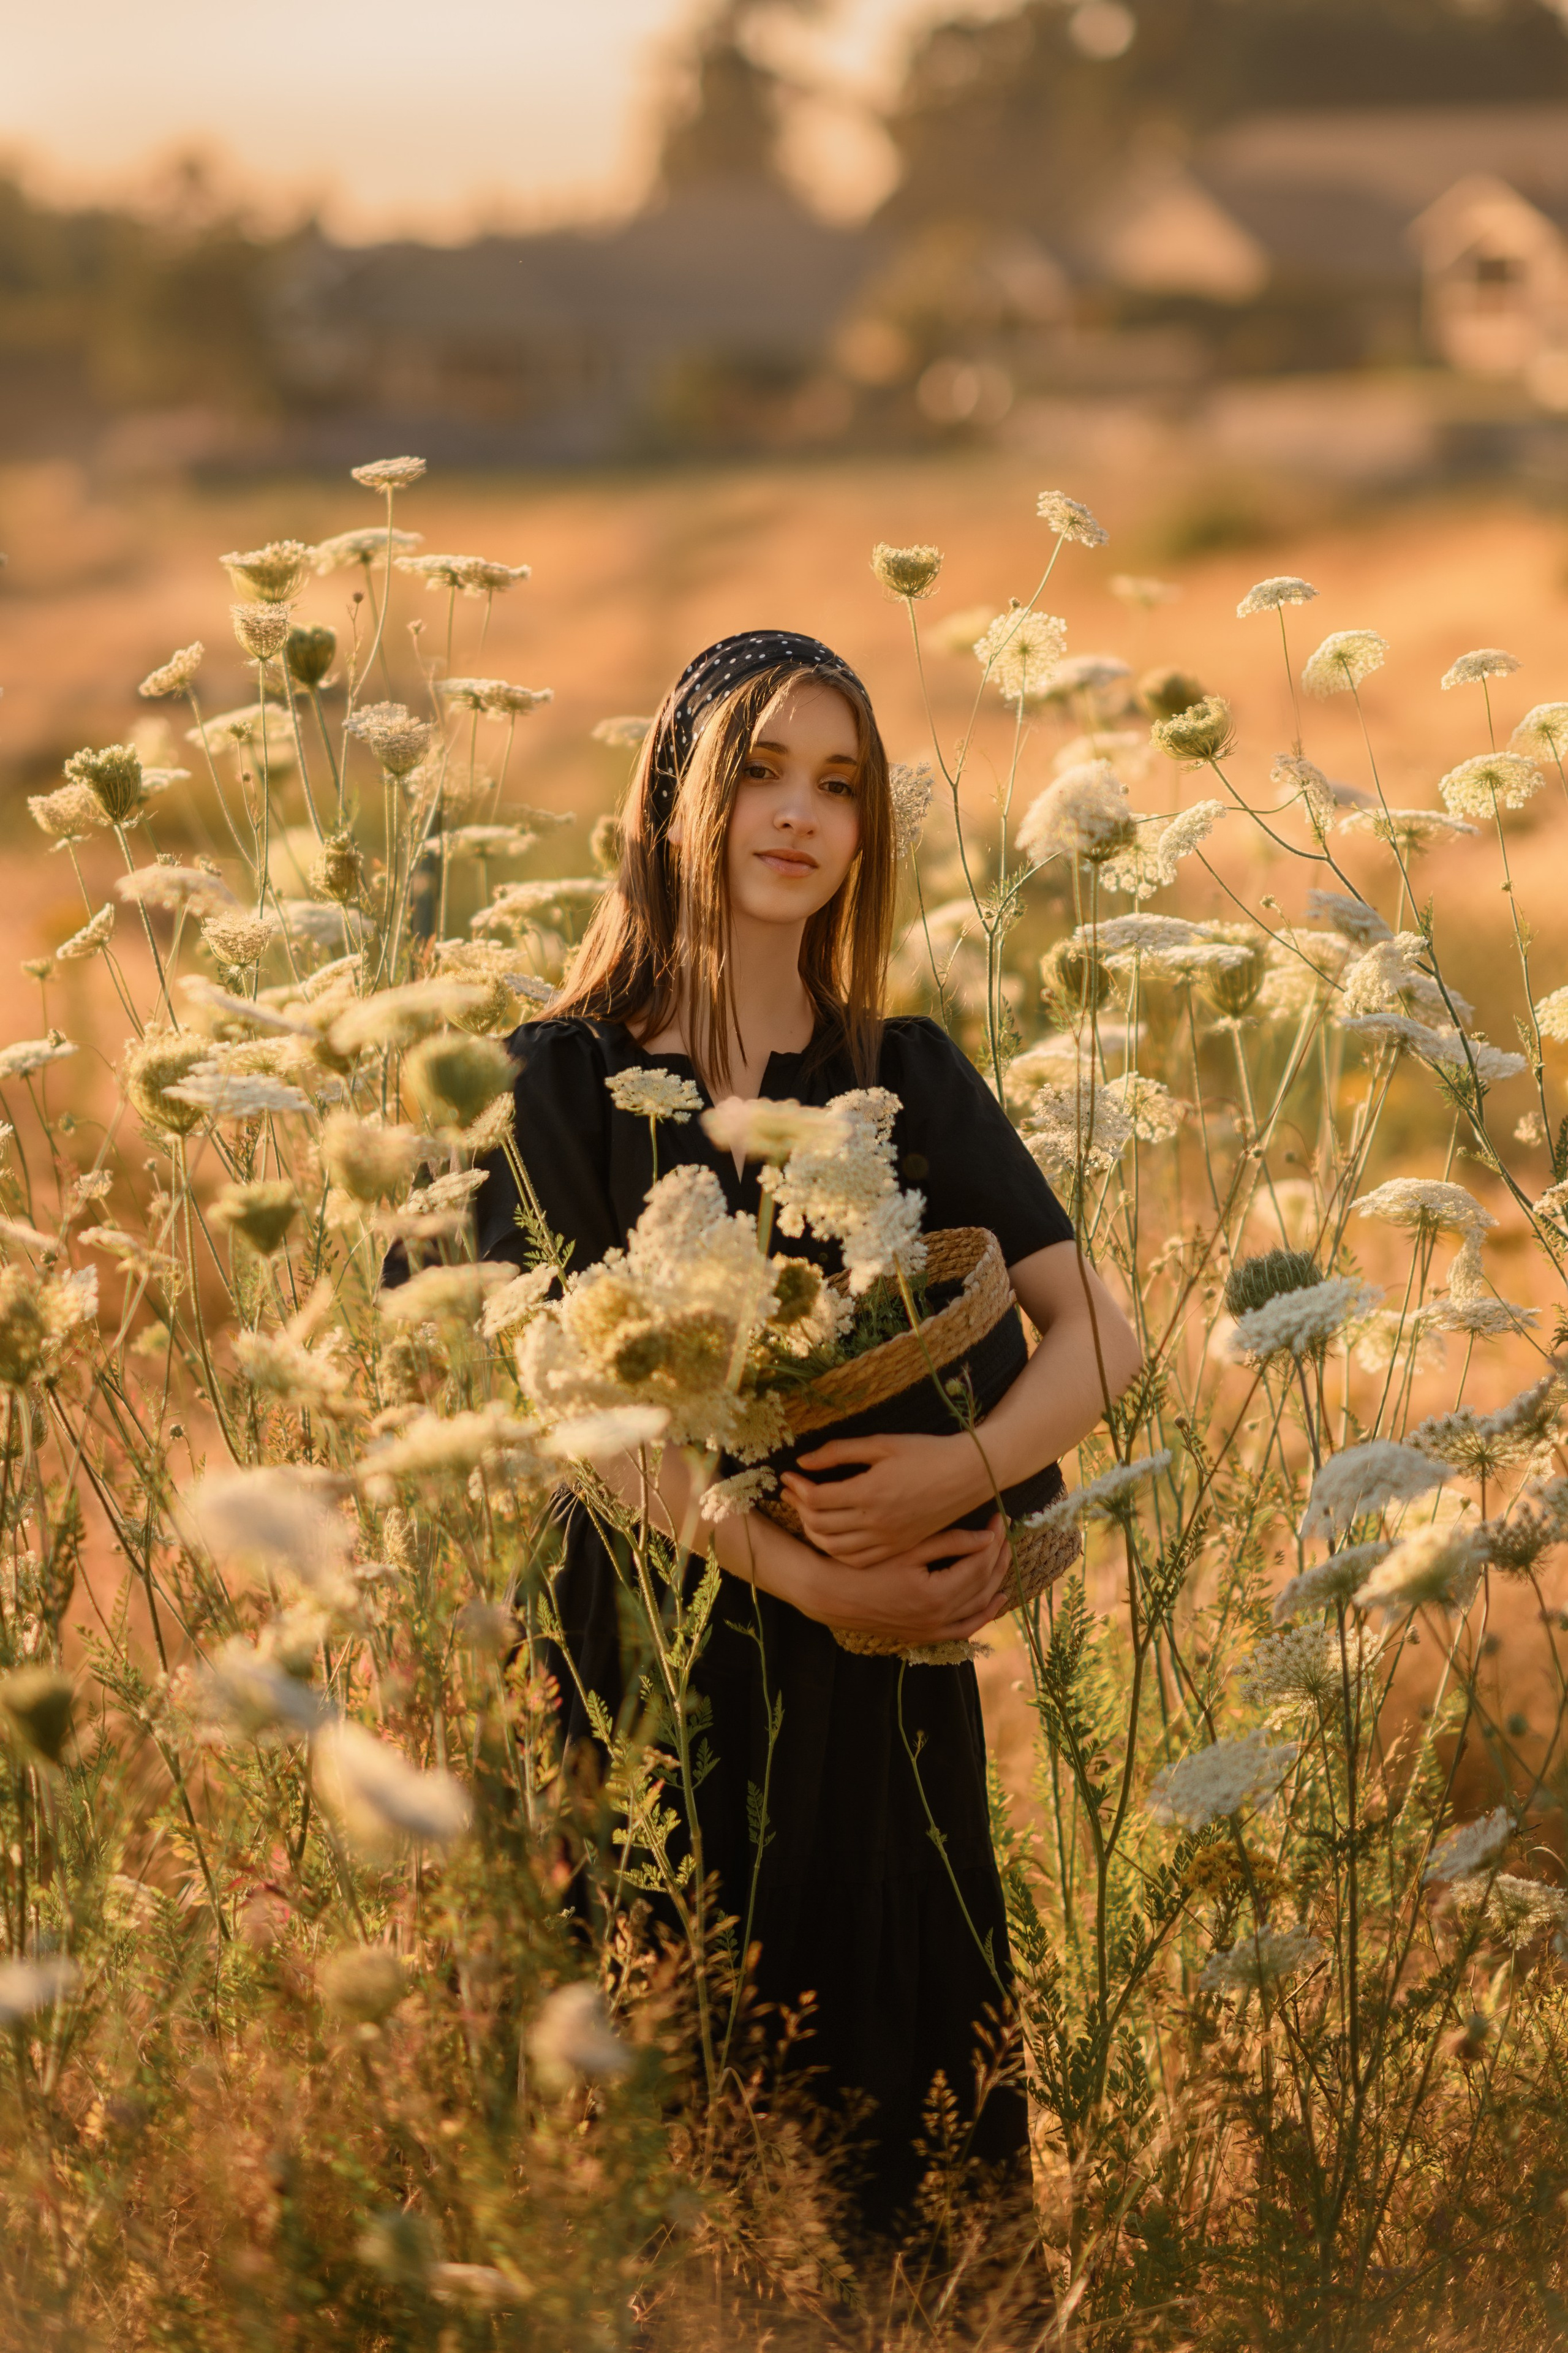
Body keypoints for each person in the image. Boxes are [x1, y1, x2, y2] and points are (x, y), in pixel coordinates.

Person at [475, 629, 1142, 2237]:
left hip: (879, 1683)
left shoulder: (897, 1073)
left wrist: (964, 1470)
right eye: (762, 768)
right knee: (647, 2147)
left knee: (898, 2162)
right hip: (640, 1659)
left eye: (839, 786)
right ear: (674, 795)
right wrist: (793, 1566)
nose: (799, 814)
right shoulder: (552, 1082)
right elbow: (562, 1403)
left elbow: (1101, 1339)